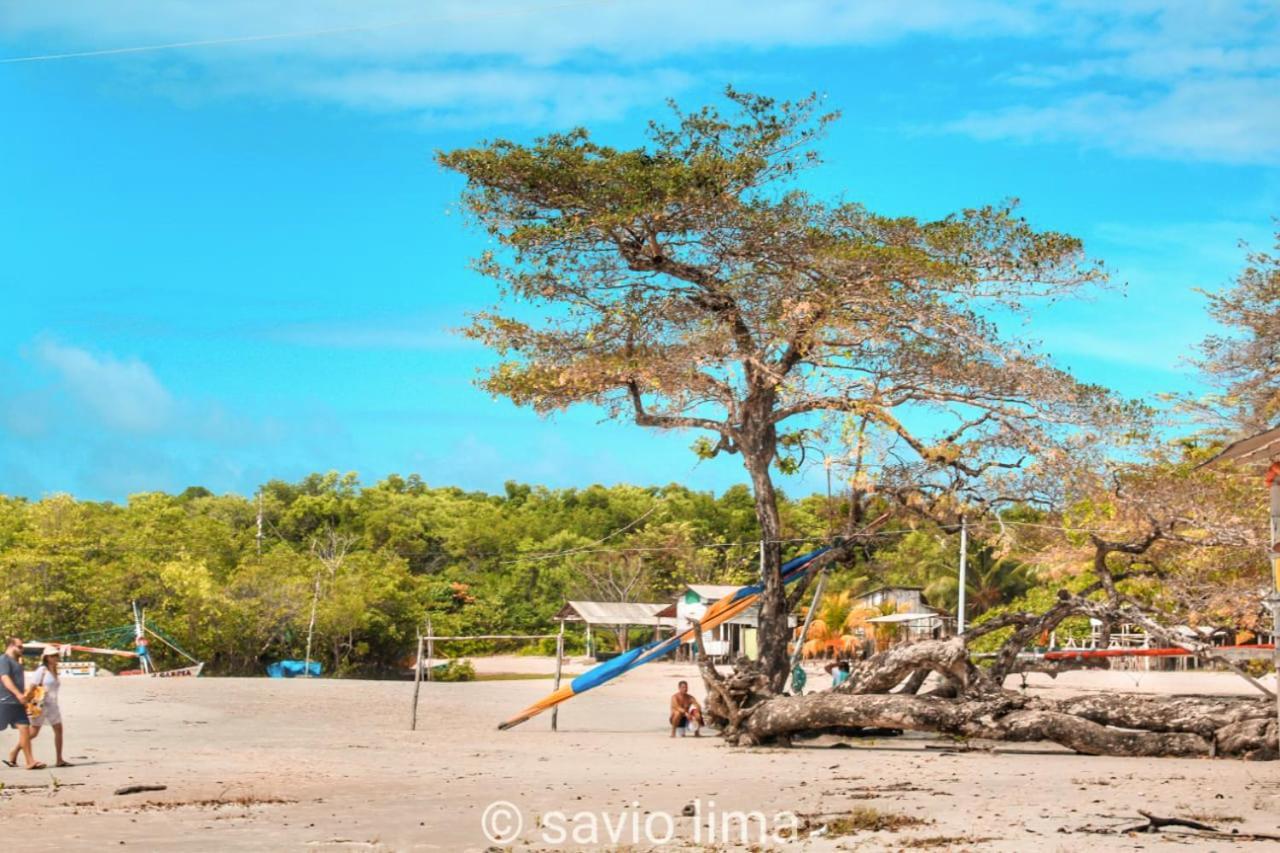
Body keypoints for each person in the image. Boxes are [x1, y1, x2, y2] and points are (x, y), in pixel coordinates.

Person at [8, 648, 70, 768]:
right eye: (52, 656)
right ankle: (14, 752)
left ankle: (59, 759)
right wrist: (24, 701)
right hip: (40, 706)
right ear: (46, 657)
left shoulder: (54, 670)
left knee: (59, 730)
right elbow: (32, 687)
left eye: (56, 655)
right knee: (34, 733)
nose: (55, 658)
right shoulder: (42, 670)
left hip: (53, 706)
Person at [0, 636, 43, 770]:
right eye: (19, 647)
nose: (22, 649)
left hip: (17, 704)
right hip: (5, 702)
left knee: (25, 730)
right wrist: (18, 694)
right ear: (11, 646)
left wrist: (25, 696)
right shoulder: (4, 660)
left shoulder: (17, 662)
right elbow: (5, 678)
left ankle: (30, 761)